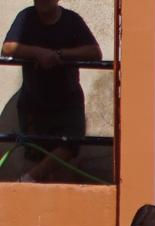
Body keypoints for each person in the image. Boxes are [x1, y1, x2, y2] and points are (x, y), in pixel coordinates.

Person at [2, 0, 100, 183]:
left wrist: (60, 55)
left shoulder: (72, 20)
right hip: (35, 102)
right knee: (37, 153)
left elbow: (94, 52)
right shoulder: (26, 17)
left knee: (71, 143)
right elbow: (8, 47)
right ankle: (33, 183)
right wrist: (38, 53)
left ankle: (28, 179)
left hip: (67, 101)